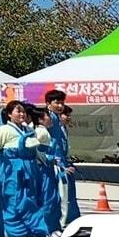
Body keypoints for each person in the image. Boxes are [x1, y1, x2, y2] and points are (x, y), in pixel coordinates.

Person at [0, 100, 51, 237]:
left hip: (30, 172)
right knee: (13, 204)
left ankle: (35, 236)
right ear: (9, 114)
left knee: (30, 203)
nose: (22, 114)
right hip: (12, 173)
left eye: (23, 111)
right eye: (18, 111)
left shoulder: (28, 130)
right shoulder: (2, 130)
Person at [43, 91, 79, 229]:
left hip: (63, 160)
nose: (60, 106)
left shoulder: (58, 120)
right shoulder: (49, 119)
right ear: (48, 104)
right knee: (59, 195)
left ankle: (70, 222)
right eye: (56, 102)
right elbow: (51, 144)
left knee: (67, 194)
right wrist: (59, 163)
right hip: (55, 163)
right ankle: (57, 225)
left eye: (62, 103)